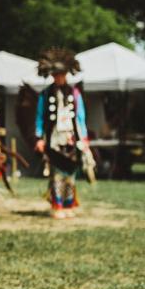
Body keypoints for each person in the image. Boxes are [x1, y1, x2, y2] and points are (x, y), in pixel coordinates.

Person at [34, 48, 89, 218]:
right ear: (52, 75)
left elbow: (80, 117)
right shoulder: (45, 94)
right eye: (56, 74)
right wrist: (39, 138)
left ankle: (68, 204)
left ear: (66, 74)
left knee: (71, 173)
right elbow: (40, 118)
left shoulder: (74, 93)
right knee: (56, 173)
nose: (59, 77)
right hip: (53, 139)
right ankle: (57, 205)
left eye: (62, 74)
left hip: (71, 139)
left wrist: (84, 138)